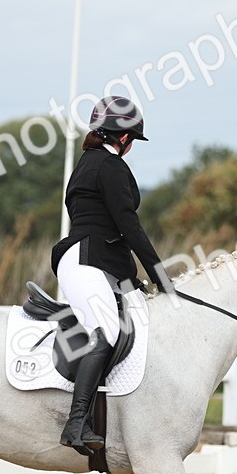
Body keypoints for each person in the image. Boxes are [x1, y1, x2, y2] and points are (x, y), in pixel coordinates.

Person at [51, 96, 168, 454]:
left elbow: (108, 232)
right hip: (86, 259)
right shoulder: (112, 167)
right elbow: (127, 226)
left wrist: (134, 280)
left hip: (96, 260)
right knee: (106, 330)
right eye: (132, 140)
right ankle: (76, 423)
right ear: (124, 138)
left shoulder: (88, 163)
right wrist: (161, 276)